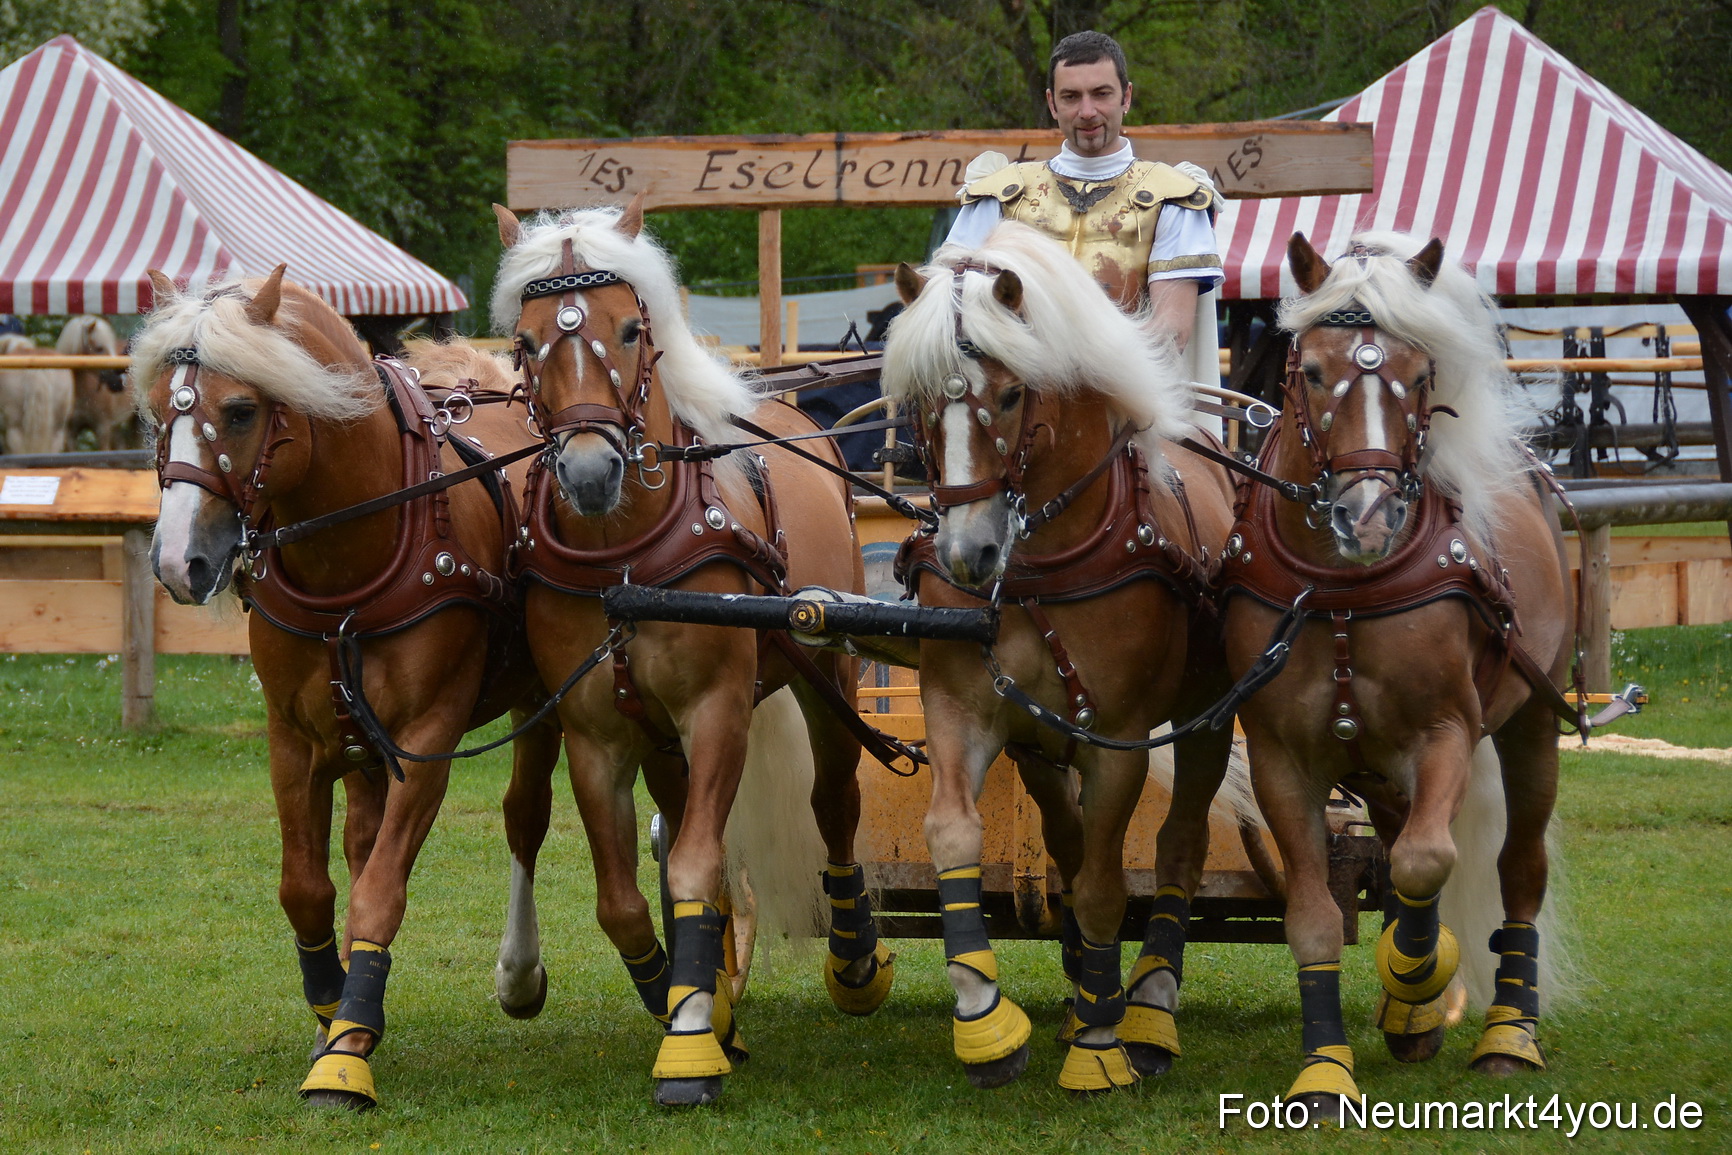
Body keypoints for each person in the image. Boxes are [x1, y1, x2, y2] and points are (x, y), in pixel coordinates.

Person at [945, 30, 1221, 378]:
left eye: (1101, 94)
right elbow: (951, 313)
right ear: (1052, 103)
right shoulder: (1000, 194)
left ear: (1126, 97)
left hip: (1126, 397)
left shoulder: (1173, 197)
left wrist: (1074, 382)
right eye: (1071, 97)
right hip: (1009, 398)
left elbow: (1169, 336)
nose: (1087, 111)